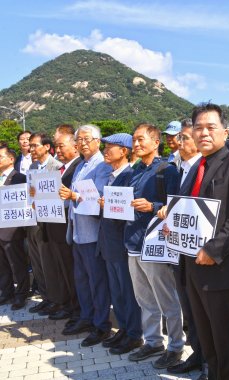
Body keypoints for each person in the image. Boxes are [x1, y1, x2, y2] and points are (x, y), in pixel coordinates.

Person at [164, 102, 229, 380]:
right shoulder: (195, 167)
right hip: (191, 265)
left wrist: (213, 249)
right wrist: (172, 227)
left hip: (221, 269)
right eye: (198, 127)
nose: (203, 133)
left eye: (210, 127)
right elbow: (186, 211)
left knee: (225, 340)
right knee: (205, 337)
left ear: (224, 131)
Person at [124, 123, 185, 370]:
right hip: (133, 241)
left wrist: (151, 206)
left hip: (155, 244)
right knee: (144, 299)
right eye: (134, 141)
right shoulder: (134, 170)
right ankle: (153, 341)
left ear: (155, 142)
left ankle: (176, 346)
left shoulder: (167, 171)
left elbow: (176, 206)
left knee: (166, 299)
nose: (136, 145)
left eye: (141, 140)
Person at [59, 125, 113, 347]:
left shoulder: (102, 165)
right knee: (82, 280)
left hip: (92, 232)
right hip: (78, 231)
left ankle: (101, 325)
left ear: (97, 141)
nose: (81, 143)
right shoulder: (81, 164)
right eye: (79, 139)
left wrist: (73, 195)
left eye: (86, 139)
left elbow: (99, 196)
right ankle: (86, 317)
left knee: (97, 281)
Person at [96, 133, 144, 355]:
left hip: (122, 243)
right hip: (108, 243)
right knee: (117, 291)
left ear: (124, 151)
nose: (106, 151)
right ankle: (123, 329)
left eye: (110, 147)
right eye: (105, 147)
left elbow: (129, 211)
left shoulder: (129, 175)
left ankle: (134, 334)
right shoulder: (111, 175)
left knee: (127, 291)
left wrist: (110, 206)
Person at [166, 118, 205, 375]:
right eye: (179, 138)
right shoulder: (180, 168)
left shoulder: (204, 167)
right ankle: (197, 353)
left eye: (185, 138)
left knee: (205, 313)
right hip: (181, 250)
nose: (180, 142)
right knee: (190, 309)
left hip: (204, 253)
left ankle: (210, 363)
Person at [44, 130, 82, 324]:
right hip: (54, 227)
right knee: (62, 270)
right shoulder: (59, 169)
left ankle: (76, 308)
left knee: (71, 271)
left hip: (68, 227)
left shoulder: (77, 167)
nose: (57, 150)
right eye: (56, 146)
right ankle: (67, 304)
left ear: (75, 146)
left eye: (61, 146)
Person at [27, 133, 62, 316]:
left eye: (35, 145)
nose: (31, 149)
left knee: (50, 264)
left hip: (50, 224)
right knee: (38, 263)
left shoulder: (56, 167)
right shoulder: (32, 167)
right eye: (30, 146)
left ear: (47, 147)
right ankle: (46, 297)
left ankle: (56, 300)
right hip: (33, 221)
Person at [0, 146, 29, 310]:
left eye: (0, 156)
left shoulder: (19, 178)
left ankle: (21, 294)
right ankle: (6, 292)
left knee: (16, 263)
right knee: (2, 264)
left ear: (11, 159)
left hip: (12, 229)